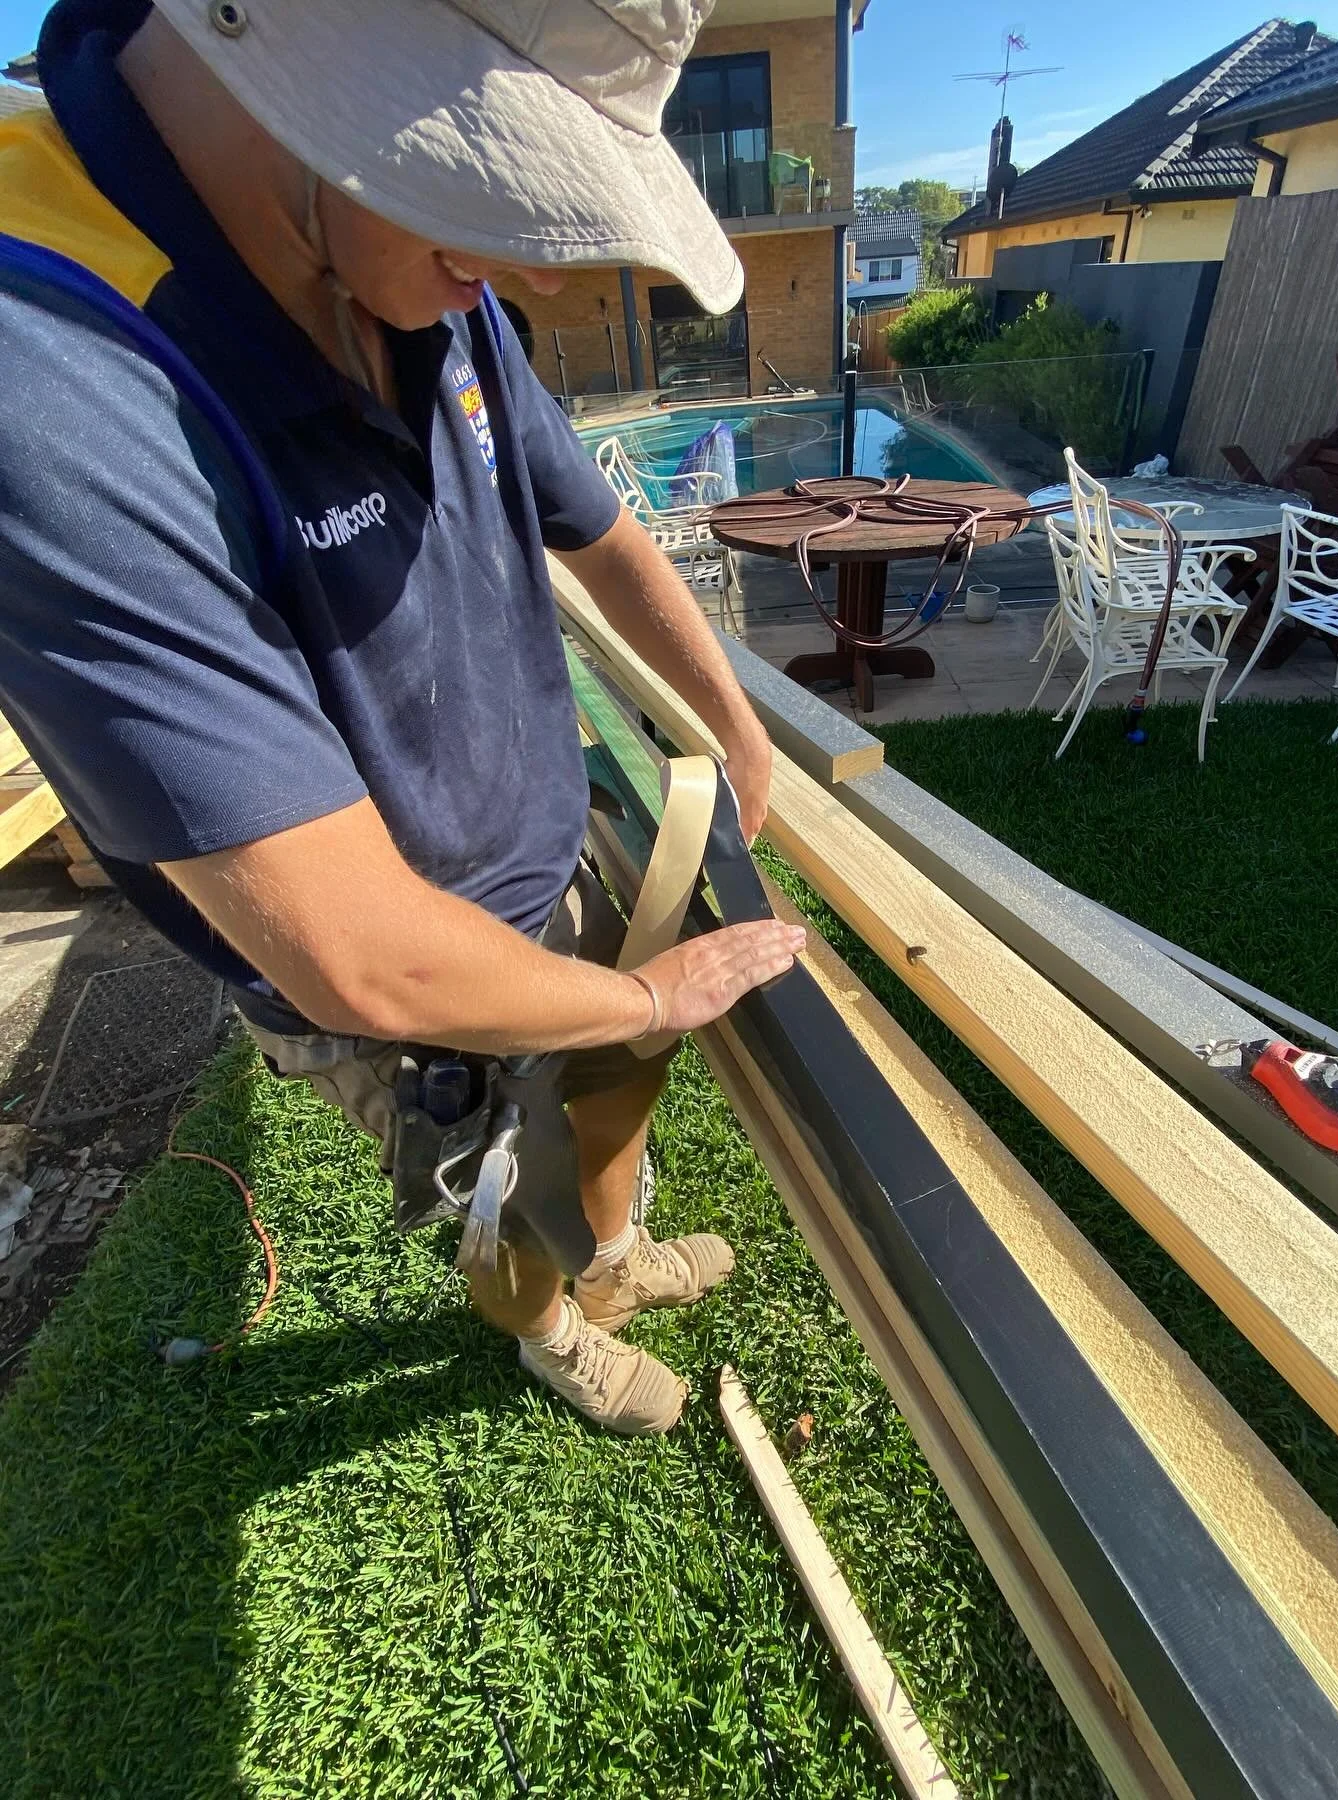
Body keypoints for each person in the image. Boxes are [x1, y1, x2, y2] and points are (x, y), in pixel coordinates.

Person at [0, 0, 805, 1434]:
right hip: (410, 988)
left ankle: (611, 1256)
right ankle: (547, 1326)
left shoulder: (420, 264)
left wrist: (734, 727)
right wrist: (648, 994)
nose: (543, 276)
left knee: (609, 1092)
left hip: (543, 851)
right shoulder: (55, 373)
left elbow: (598, 527)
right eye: (505, 183)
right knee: (498, 1176)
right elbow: (364, 958)